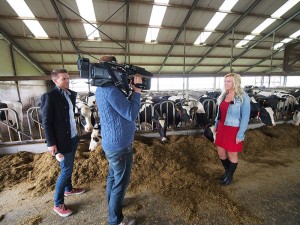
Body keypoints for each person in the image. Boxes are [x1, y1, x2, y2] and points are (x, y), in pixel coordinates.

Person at [95, 55, 142, 225]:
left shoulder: (101, 88)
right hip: (120, 145)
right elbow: (131, 114)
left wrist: (129, 91)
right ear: (111, 69)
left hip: (111, 142)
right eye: (117, 68)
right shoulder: (111, 90)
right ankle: (115, 220)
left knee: (113, 177)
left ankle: (114, 205)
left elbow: (120, 109)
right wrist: (137, 92)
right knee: (120, 183)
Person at [40, 69, 85, 217]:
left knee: (69, 166)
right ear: (55, 81)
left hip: (72, 137)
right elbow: (46, 122)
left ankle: (68, 189)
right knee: (66, 170)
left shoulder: (70, 94)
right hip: (60, 140)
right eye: (63, 79)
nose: (67, 81)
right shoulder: (49, 97)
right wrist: (51, 143)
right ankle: (58, 203)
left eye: (68, 78)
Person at [214, 73, 250, 186]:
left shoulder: (243, 97)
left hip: (233, 129)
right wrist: (216, 125)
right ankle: (227, 172)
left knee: (232, 154)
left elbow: (245, 117)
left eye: (228, 81)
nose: (226, 83)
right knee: (220, 152)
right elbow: (219, 113)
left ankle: (229, 176)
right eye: (225, 81)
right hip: (222, 127)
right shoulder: (223, 95)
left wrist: (240, 134)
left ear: (236, 83)